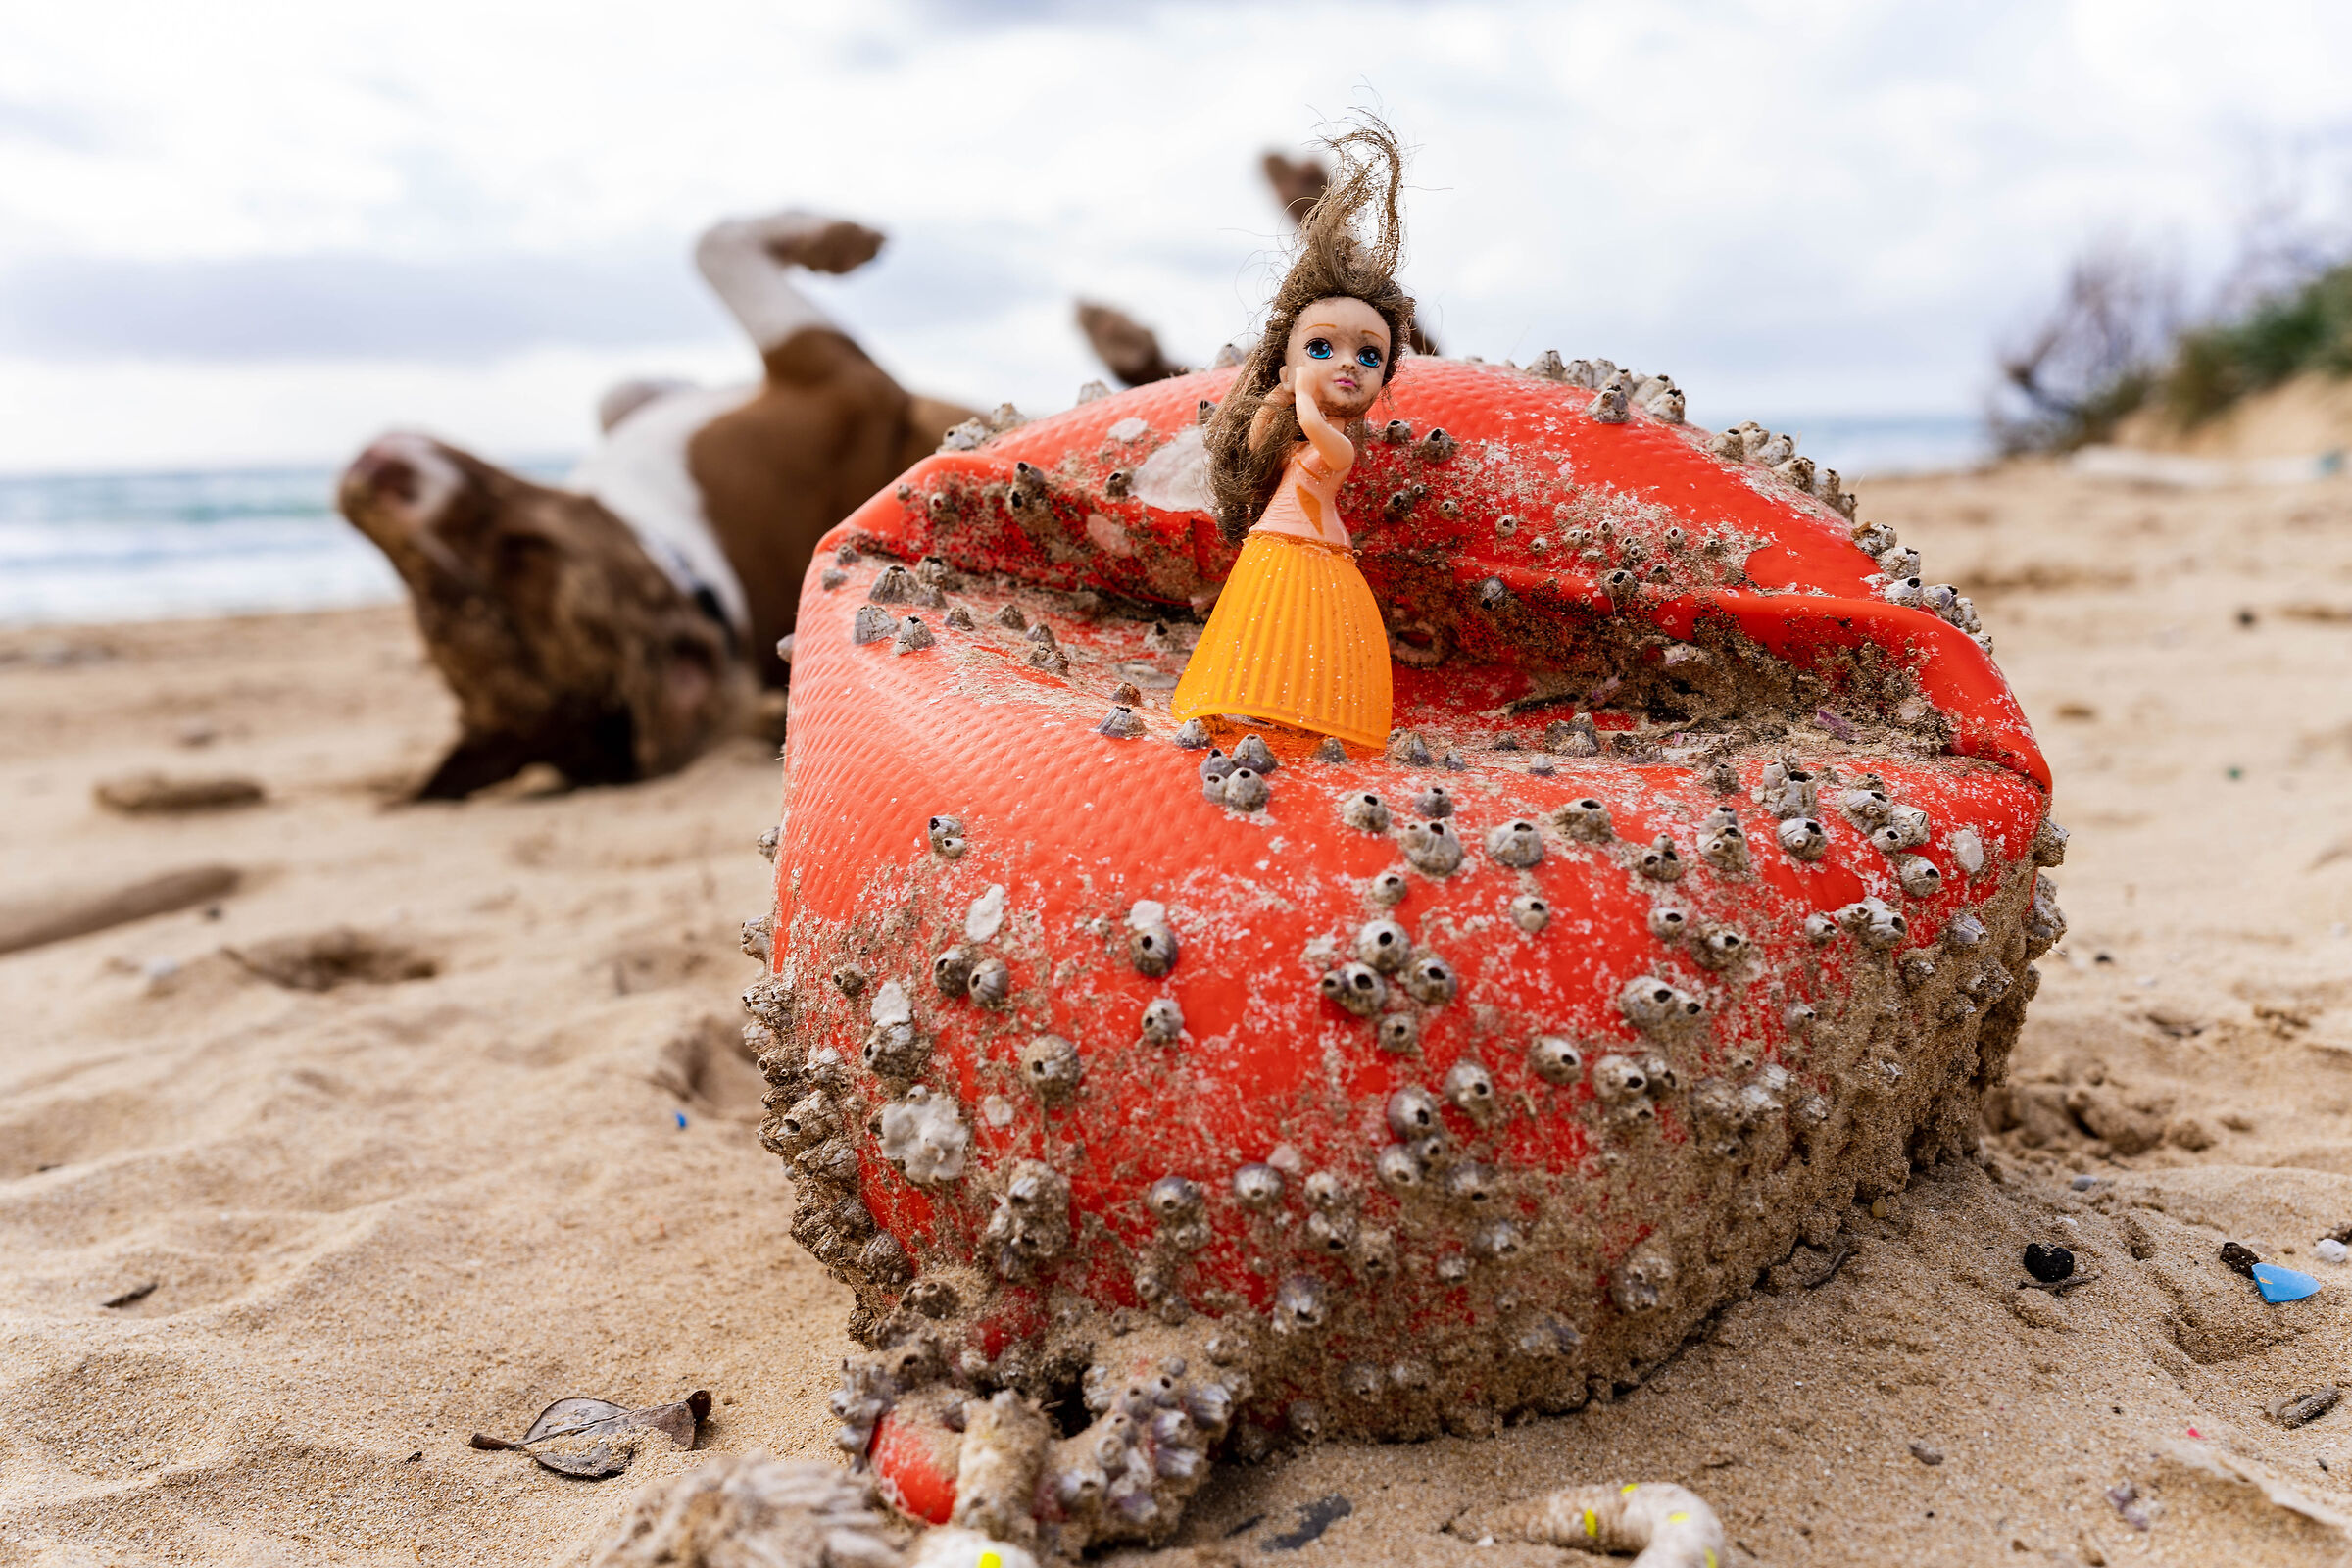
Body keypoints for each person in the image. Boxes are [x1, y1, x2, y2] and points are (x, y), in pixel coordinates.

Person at [1168, 122, 1414, 754]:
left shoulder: (1338, 446)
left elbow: (1322, 446)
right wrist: (1279, 392)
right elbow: (1255, 445)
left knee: (1313, 631)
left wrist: (1300, 393)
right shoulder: (1291, 413)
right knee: (1263, 626)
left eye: (1369, 356)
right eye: (1324, 347)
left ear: (1383, 376)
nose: (1347, 365)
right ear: (1289, 359)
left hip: (1319, 545)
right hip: (1274, 541)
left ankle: (1310, 714)